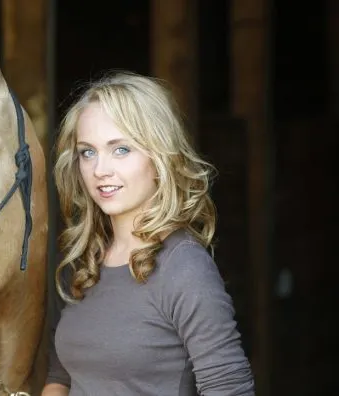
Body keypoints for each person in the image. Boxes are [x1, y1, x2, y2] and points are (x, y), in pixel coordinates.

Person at [42, 71, 255, 396]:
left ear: (159, 157)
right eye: (88, 152)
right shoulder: (83, 262)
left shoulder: (183, 268)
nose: (100, 170)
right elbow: (62, 375)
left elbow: (229, 389)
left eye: (121, 150)